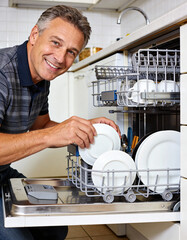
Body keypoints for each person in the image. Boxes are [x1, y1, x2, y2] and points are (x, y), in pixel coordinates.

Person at [0, 4, 121, 240]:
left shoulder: (40, 76)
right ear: (35, 35)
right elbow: (46, 135)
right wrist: (51, 136)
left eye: (71, 52)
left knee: (55, 228)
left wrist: (81, 128)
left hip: (2, 173)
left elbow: (41, 126)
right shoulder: (3, 73)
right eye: (56, 43)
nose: (60, 58)